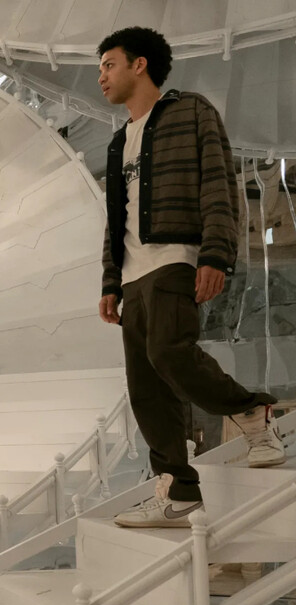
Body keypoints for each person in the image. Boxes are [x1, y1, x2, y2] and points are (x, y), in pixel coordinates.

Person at [95, 27, 286, 529]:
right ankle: (177, 490)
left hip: (175, 258)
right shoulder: (117, 144)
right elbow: (115, 220)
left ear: (139, 64)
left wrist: (216, 255)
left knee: (168, 351)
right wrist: (110, 282)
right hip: (132, 276)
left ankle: (252, 412)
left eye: (109, 65)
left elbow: (218, 184)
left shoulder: (191, 111)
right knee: (144, 387)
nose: (102, 77)